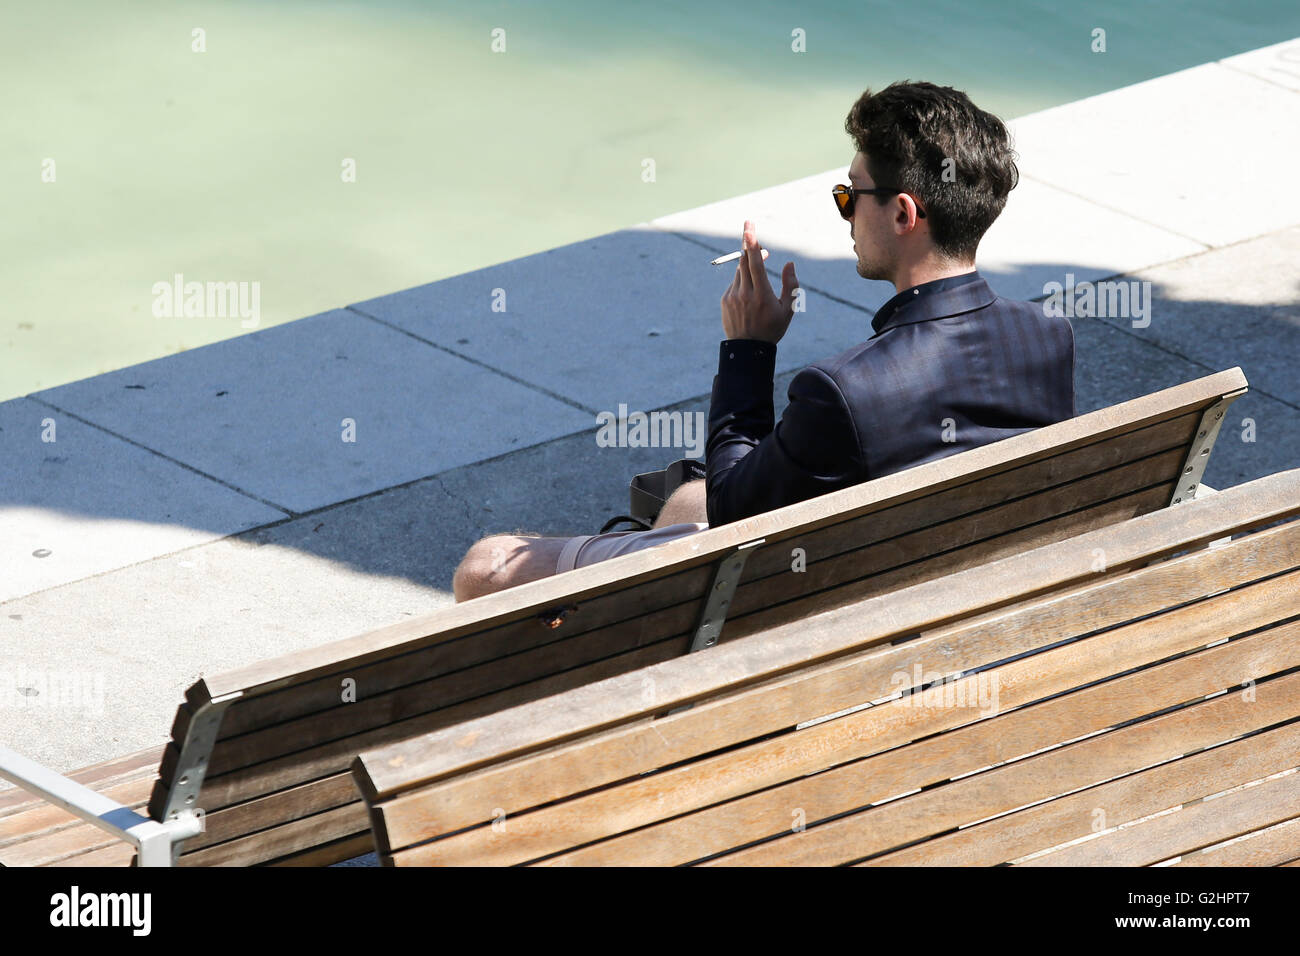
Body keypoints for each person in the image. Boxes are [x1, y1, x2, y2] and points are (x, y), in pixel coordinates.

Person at [452, 80, 1074, 603]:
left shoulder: (844, 392)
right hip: (968, 602)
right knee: (681, 500)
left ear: (904, 214)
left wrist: (748, 349)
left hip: (813, 625)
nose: (846, 211)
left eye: (848, 196)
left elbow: (731, 517)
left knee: (487, 566)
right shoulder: (1046, 338)